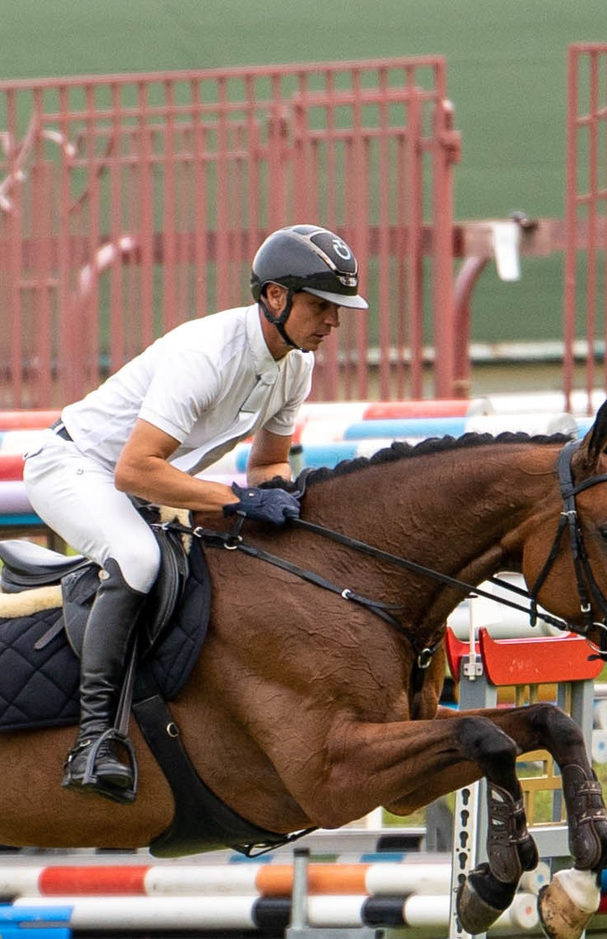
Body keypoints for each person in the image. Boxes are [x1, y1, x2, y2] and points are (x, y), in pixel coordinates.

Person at [23, 224, 367, 801]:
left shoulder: (295, 365)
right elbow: (135, 469)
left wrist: (289, 510)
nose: (334, 321)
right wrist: (236, 500)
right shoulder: (206, 354)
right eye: (322, 305)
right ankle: (94, 741)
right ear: (275, 297)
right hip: (73, 467)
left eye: (339, 308)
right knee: (136, 560)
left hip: (134, 482)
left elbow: (268, 467)